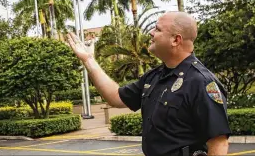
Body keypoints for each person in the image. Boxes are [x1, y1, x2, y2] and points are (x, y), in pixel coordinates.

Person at [66, 11, 231, 156]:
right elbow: (115, 97)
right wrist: (89, 60)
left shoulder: (201, 82)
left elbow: (218, 143)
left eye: (158, 29)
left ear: (176, 40)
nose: (151, 33)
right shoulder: (154, 77)